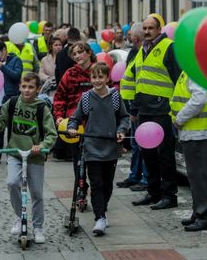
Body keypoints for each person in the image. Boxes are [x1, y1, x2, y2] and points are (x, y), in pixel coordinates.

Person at [0, 73, 57, 244]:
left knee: (36, 193)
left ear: (37, 89)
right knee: (12, 183)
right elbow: (1, 122)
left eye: (31, 87)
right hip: (15, 153)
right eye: (24, 86)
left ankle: (38, 227)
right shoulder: (12, 103)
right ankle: (19, 217)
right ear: (19, 87)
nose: (27, 90)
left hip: (35, 156)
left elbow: (52, 134)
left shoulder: (42, 108)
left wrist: (42, 145)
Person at [121, 16, 181, 209]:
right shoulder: (143, 50)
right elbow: (137, 79)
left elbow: (178, 79)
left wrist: (175, 109)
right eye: (145, 28)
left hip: (163, 110)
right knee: (148, 154)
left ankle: (169, 196)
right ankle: (153, 192)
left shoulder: (169, 47)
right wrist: (134, 108)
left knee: (165, 155)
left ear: (159, 29)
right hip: (144, 110)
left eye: (150, 28)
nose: (147, 32)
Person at [67, 62, 129, 235]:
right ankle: (99, 217)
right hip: (91, 148)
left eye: (100, 77)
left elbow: (124, 118)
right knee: (96, 184)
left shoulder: (115, 97)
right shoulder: (86, 98)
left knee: (107, 185)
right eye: (94, 77)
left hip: (111, 148)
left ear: (107, 78)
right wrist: (72, 127)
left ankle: (103, 209)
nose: (97, 80)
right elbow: (75, 118)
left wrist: (121, 130)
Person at [170, 71, 207, 231]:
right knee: (195, 176)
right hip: (196, 132)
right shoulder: (191, 69)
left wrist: (179, 119)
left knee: (199, 176)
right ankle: (199, 212)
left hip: (198, 132)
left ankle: (205, 216)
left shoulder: (195, 69)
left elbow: (199, 99)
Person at [53, 42, 96, 195]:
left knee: (95, 163)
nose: (77, 56)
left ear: (89, 53)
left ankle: (97, 193)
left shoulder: (98, 71)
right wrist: (59, 116)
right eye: (74, 54)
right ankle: (81, 189)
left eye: (80, 52)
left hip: (95, 124)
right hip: (74, 124)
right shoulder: (70, 74)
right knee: (78, 162)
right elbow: (59, 97)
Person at [116, 23, 149, 191]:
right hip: (131, 104)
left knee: (143, 143)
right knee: (136, 143)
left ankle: (145, 178)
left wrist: (134, 107)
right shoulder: (134, 52)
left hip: (139, 105)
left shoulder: (144, 53)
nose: (129, 36)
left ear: (135, 37)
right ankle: (134, 175)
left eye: (131, 34)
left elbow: (140, 81)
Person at [0, 40, 22, 165]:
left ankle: (11, 156)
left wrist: (3, 67)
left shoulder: (16, 60)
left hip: (11, 99)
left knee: (12, 130)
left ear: (4, 50)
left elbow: (16, 76)